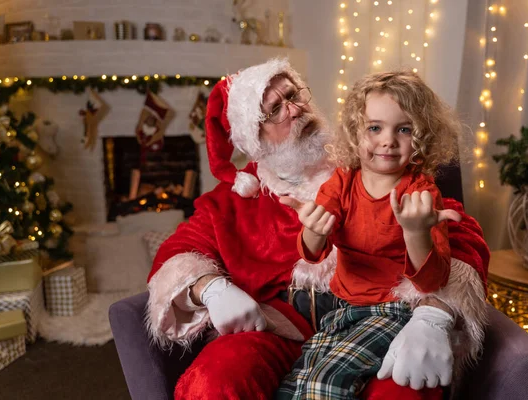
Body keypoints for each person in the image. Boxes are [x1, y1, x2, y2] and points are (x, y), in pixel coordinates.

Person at [145, 59, 490, 400]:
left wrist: (434, 314)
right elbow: (179, 250)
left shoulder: (367, 162)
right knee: (214, 382)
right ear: (253, 137)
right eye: (273, 110)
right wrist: (211, 289)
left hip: (379, 313)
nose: (294, 110)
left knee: (401, 391)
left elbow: (458, 232)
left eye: (293, 95)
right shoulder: (233, 201)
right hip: (275, 328)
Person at [276, 71, 468, 399]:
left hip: (393, 311)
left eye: (404, 129)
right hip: (339, 310)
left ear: (421, 135)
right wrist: (313, 229)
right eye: (375, 127)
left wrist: (415, 232)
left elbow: (432, 280)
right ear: (356, 133)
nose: (387, 141)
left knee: (326, 382)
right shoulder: (342, 181)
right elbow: (310, 254)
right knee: (294, 386)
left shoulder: (421, 192)